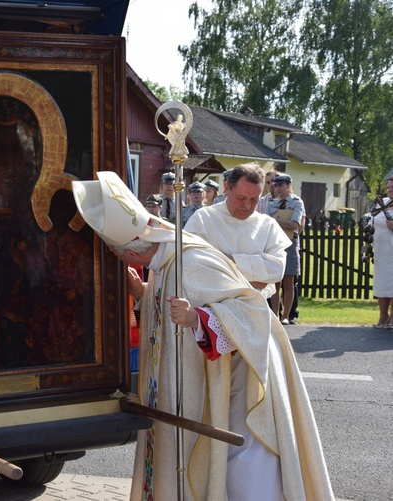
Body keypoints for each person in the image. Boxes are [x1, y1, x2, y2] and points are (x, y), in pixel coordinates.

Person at [72, 171, 333, 501]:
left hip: (248, 371)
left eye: (119, 255)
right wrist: (142, 294)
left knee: (245, 462)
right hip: (223, 371)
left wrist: (199, 319)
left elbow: (251, 309)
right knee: (220, 460)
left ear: (132, 253)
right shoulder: (167, 260)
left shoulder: (189, 260)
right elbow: (171, 303)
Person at [184, 163, 291, 299]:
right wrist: (256, 276)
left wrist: (226, 260)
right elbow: (194, 267)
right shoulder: (203, 219)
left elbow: (276, 271)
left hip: (255, 310)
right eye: (241, 198)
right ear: (227, 188)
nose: (247, 206)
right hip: (213, 308)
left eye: (254, 199)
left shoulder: (268, 225)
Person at [267, 174, 305, 325]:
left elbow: (295, 224)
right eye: (276, 186)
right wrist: (282, 221)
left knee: (288, 281)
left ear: (289, 186)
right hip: (274, 244)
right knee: (275, 281)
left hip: (290, 243)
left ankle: (286, 316)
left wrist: (276, 220)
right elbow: (267, 224)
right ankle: (275, 314)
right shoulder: (271, 203)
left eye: (281, 185)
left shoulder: (297, 202)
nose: (278, 188)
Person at [372, 176, 393, 329]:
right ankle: (383, 316)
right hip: (381, 250)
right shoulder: (384, 203)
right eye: (388, 188)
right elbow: (372, 217)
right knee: (382, 283)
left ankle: (392, 318)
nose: (390, 190)